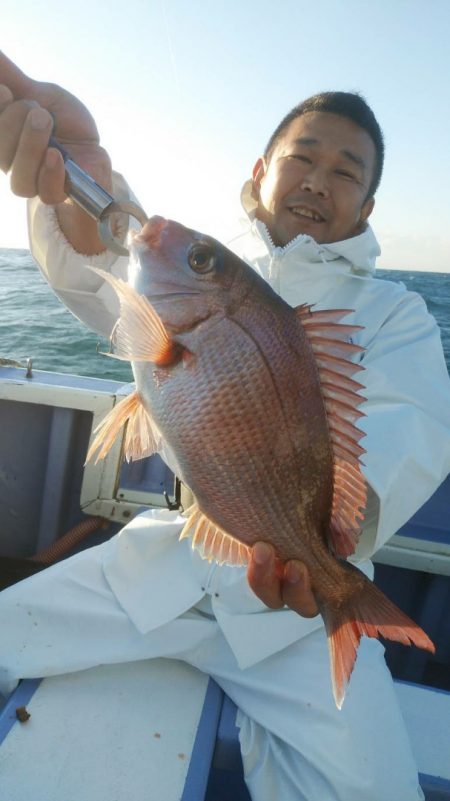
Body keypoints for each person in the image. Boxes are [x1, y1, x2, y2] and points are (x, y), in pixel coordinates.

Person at [1, 52, 450, 801]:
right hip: (157, 567)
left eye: (346, 170)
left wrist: (331, 548)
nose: (317, 178)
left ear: (367, 208)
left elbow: (415, 428)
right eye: (302, 156)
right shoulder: (206, 270)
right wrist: (78, 188)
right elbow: (112, 260)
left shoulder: (397, 316)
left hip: (298, 621)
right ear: (260, 171)